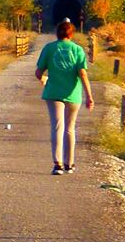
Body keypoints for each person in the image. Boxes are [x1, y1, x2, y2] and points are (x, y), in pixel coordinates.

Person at [35, 18, 93, 174]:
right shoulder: (78, 50)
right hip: (73, 94)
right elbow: (82, 73)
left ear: (57, 34)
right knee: (70, 129)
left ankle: (57, 164)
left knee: (57, 127)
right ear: (71, 34)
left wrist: (44, 79)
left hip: (53, 93)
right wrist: (89, 96)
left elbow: (38, 73)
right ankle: (70, 163)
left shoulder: (49, 48)